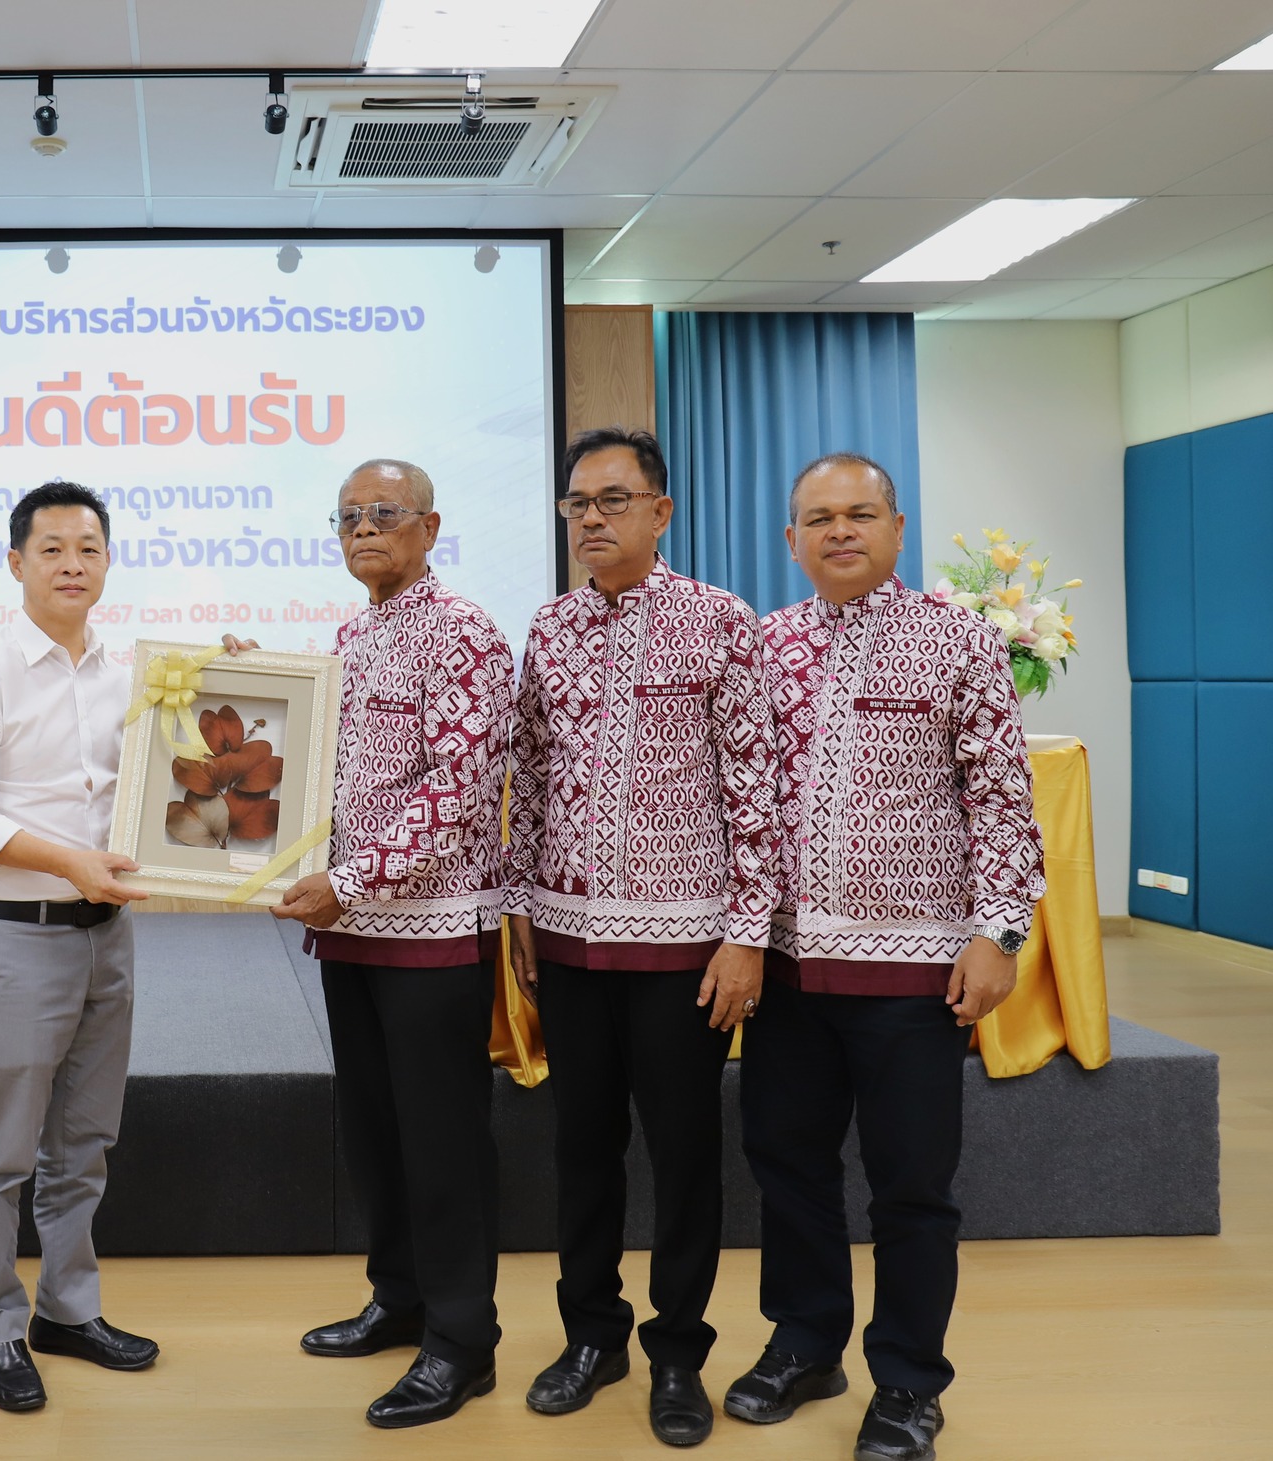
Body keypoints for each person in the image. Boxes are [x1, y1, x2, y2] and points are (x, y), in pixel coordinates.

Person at [728, 453, 1043, 1461]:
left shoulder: (958, 641)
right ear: (790, 540)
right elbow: (738, 799)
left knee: (910, 1184)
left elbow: (1001, 798)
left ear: (896, 529)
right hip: (787, 967)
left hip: (915, 972)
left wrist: (997, 933)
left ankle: (907, 1382)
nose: (839, 530)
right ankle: (805, 1341)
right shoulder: (765, 644)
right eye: (818, 517)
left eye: (859, 513)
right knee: (787, 1166)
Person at [505, 428, 779, 1447]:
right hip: (568, 941)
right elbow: (531, 775)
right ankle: (591, 1336)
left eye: (612, 500)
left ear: (660, 512)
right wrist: (521, 904)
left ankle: (676, 1353)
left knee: (683, 1153)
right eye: (577, 502)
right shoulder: (549, 627)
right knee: (582, 1148)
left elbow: (753, 785)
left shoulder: (720, 620)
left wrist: (745, 933)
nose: (591, 518)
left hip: (684, 948)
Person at [275, 459, 516, 1430]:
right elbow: (326, 771)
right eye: (347, 518)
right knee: (376, 1132)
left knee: (441, 1140)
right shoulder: (353, 635)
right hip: (354, 931)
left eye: (383, 513)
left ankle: (461, 1341)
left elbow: (459, 790)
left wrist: (351, 881)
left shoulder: (464, 633)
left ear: (429, 527)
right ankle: (400, 1298)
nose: (363, 529)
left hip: (434, 929)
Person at [0, 480, 170, 1414]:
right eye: (53, 548)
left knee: (85, 1139)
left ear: (108, 561)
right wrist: (70, 861)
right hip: (15, 936)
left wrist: (233, 674)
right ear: (16, 561)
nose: (73, 564)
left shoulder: (129, 674)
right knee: (3, 1150)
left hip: (108, 934)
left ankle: (69, 1308)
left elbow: (175, 770)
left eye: (89, 548)